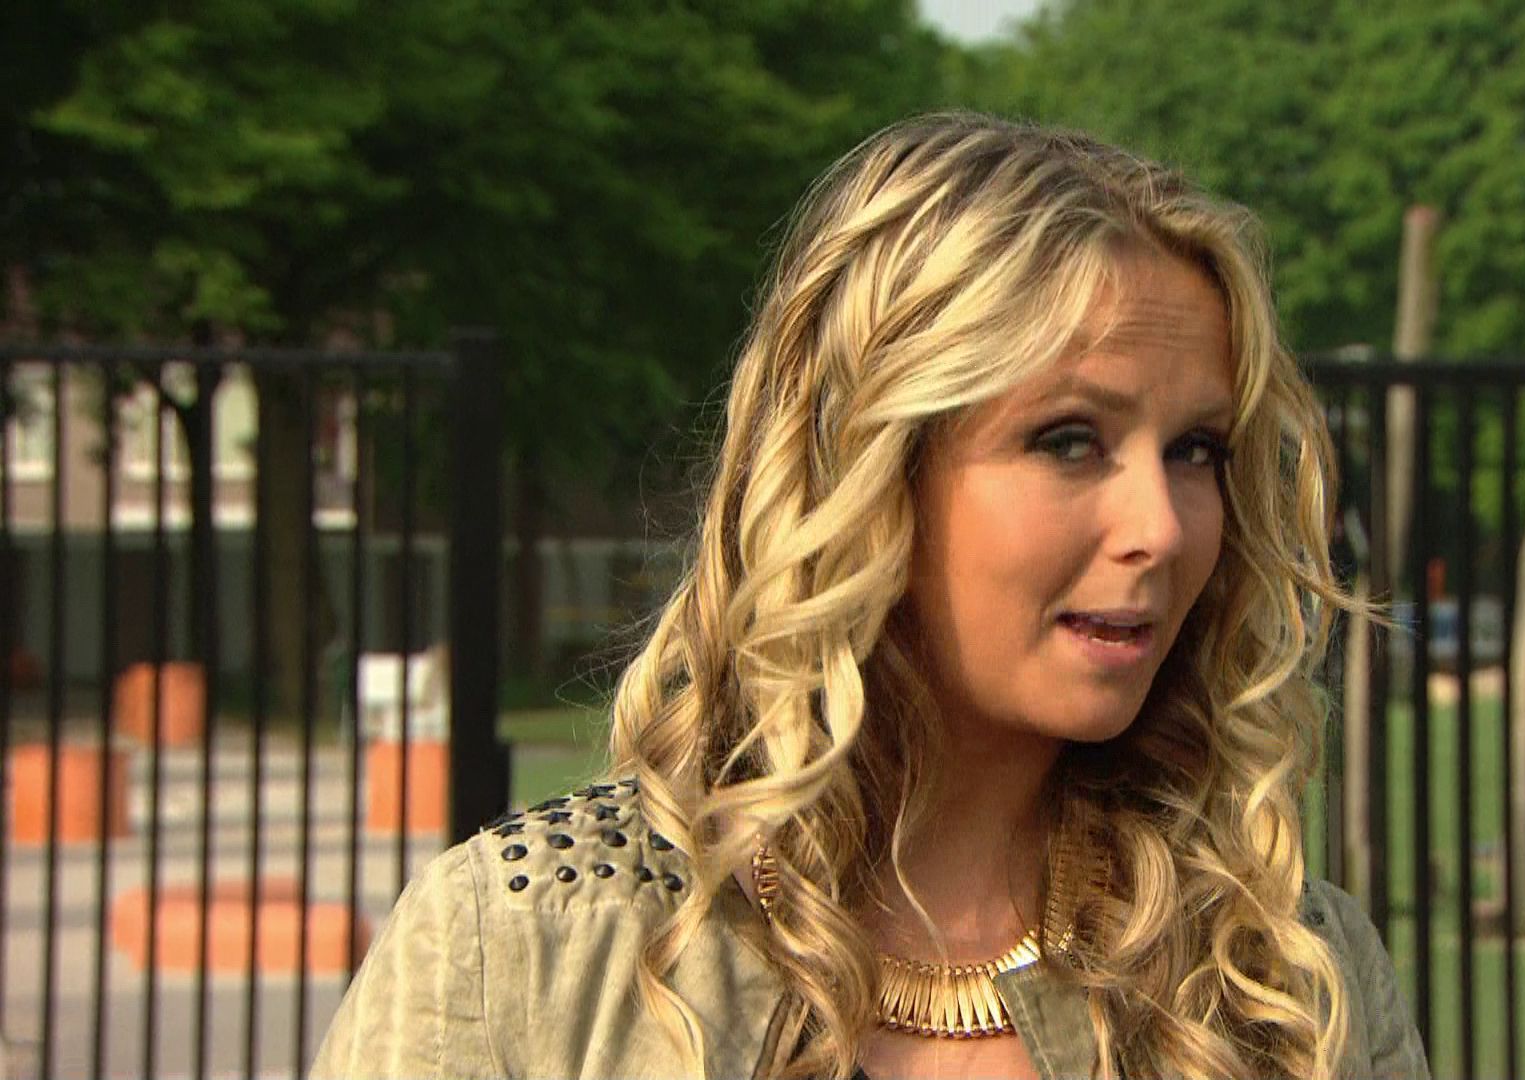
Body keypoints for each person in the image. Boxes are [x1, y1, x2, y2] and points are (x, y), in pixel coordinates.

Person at [311, 112, 1428, 1080]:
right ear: (867, 468)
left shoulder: (1285, 979)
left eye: (1196, 451)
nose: (1163, 527)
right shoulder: (527, 946)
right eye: (1070, 439)